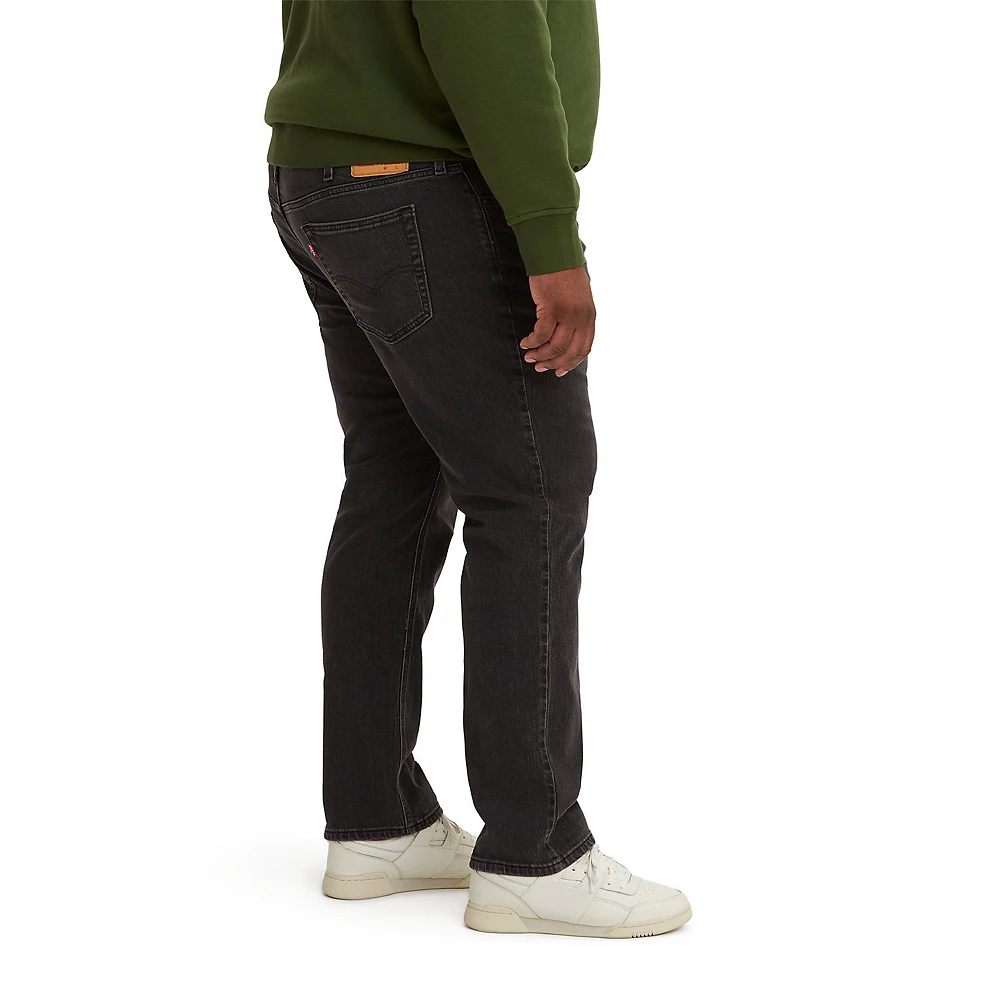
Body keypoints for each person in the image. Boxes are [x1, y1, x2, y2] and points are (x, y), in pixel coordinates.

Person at [264, 0, 691, 938]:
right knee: (531, 488)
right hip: (421, 183)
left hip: (327, 174)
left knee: (396, 484)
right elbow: (484, 24)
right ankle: (538, 853)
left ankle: (378, 823)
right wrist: (550, 235)